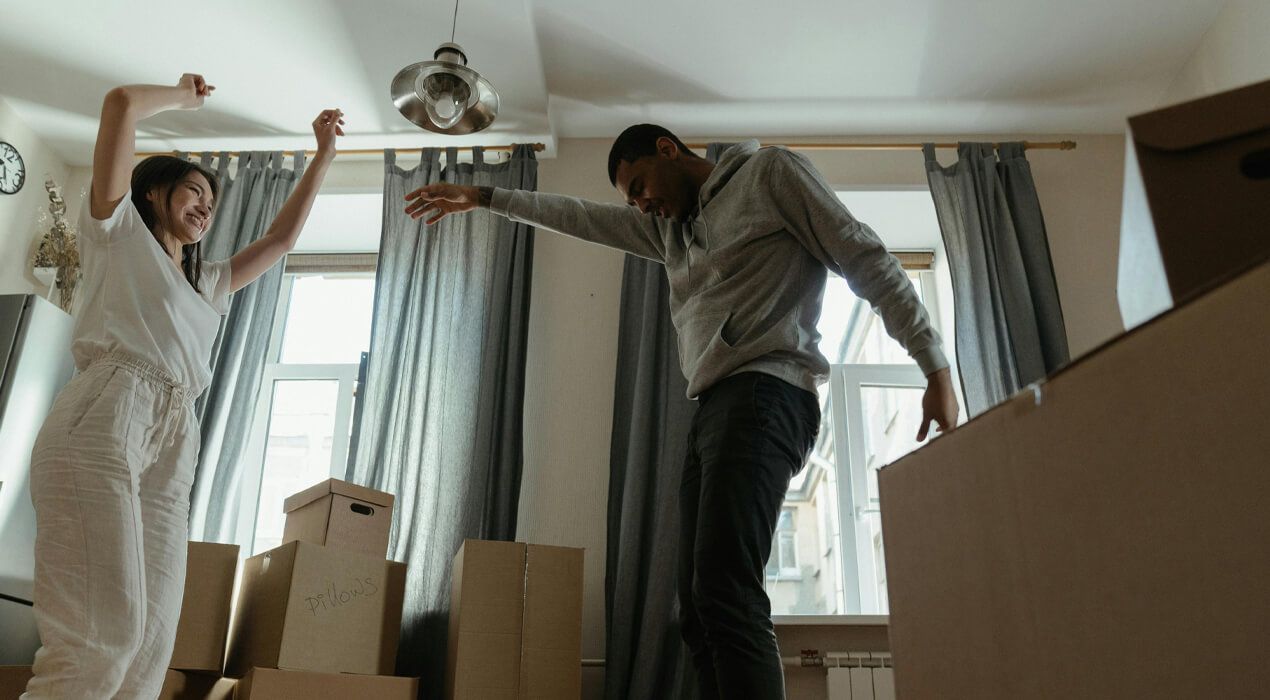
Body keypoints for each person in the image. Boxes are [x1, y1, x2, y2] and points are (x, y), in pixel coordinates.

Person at [404, 125, 959, 699]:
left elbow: (862, 254)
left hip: (767, 394)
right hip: (715, 408)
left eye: (641, 183)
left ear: (669, 150)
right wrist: (487, 198)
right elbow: (582, 217)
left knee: (726, 588)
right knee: (696, 607)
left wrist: (934, 365)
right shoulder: (670, 231)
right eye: (632, 198)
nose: (642, 202)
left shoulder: (770, 175)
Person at [23, 73, 343, 699]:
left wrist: (324, 154)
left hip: (175, 433)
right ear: (154, 192)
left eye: (212, 202)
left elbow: (280, 241)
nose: (204, 207)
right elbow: (118, 104)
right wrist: (183, 97)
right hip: (108, 411)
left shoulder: (208, 284)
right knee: (101, 637)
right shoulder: (116, 232)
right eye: (194, 191)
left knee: (149, 649)